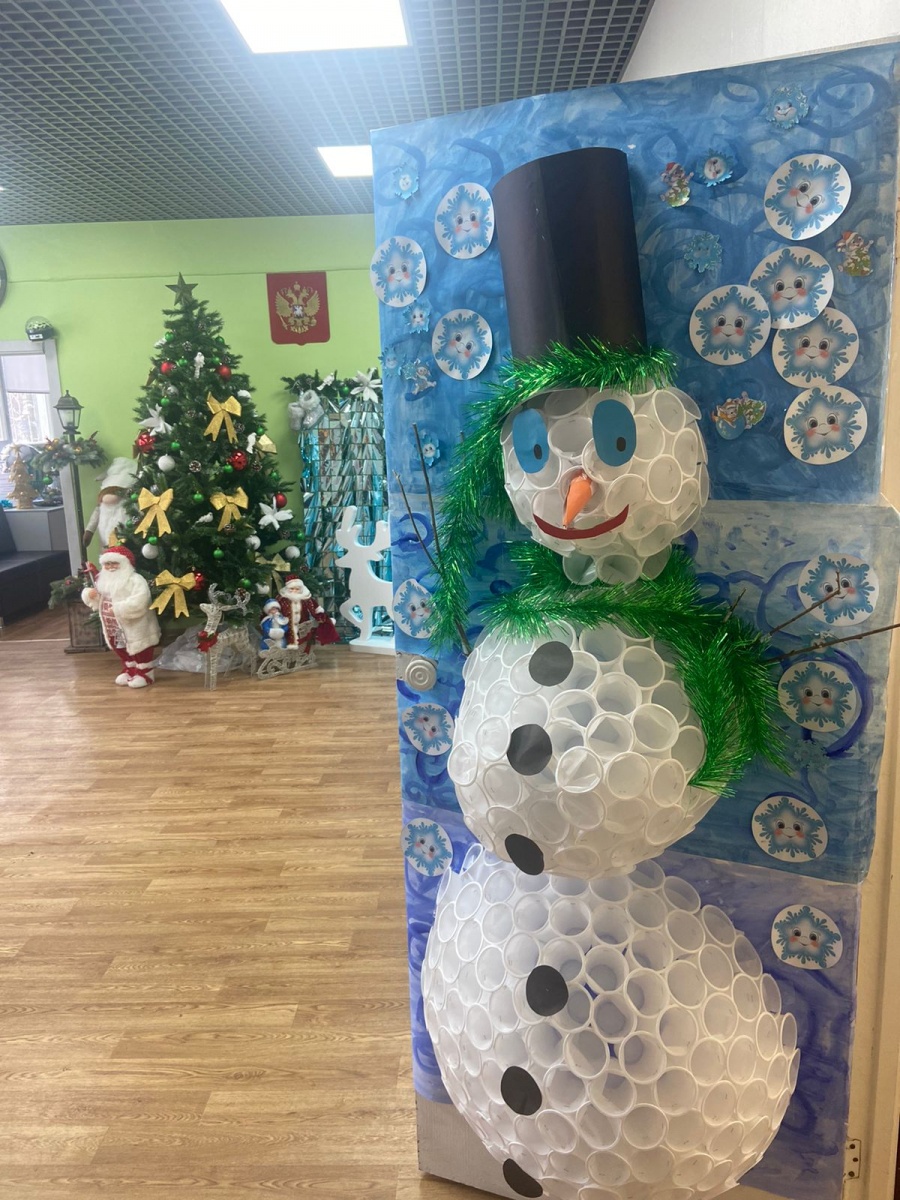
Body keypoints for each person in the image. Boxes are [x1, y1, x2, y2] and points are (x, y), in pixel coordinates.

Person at [81, 546, 161, 687]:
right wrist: (90, 595)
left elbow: (140, 600)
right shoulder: (103, 581)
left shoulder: (136, 580)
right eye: (107, 564)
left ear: (125, 563)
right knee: (120, 646)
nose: (111, 567)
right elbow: (99, 599)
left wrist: (119, 608)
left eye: (115, 563)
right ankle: (130, 668)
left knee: (139, 647)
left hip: (135, 624)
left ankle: (145, 672)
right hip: (113, 626)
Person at [83, 457, 137, 548]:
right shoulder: (101, 504)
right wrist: (89, 531)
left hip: (128, 540)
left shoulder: (130, 501)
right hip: (106, 541)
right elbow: (95, 518)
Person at [277, 575, 339, 650]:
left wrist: (320, 616)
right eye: (292, 589)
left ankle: (303, 649)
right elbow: (276, 608)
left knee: (304, 637)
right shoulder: (282, 599)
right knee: (288, 637)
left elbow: (316, 608)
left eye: (297, 589)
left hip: (303, 624)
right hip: (287, 624)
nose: (294, 591)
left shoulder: (306, 598)